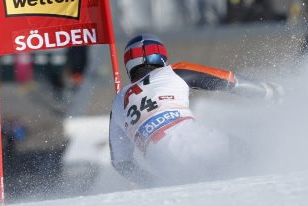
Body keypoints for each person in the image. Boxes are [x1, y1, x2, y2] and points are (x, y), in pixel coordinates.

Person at [109, 33, 281, 187]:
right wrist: (270, 93)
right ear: (161, 56)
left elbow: (121, 163)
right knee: (260, 159)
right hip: (195, 140)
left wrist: (154, 183)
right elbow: (228, 80)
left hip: (163, 164)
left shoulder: (117, 102)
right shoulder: (174, 71)